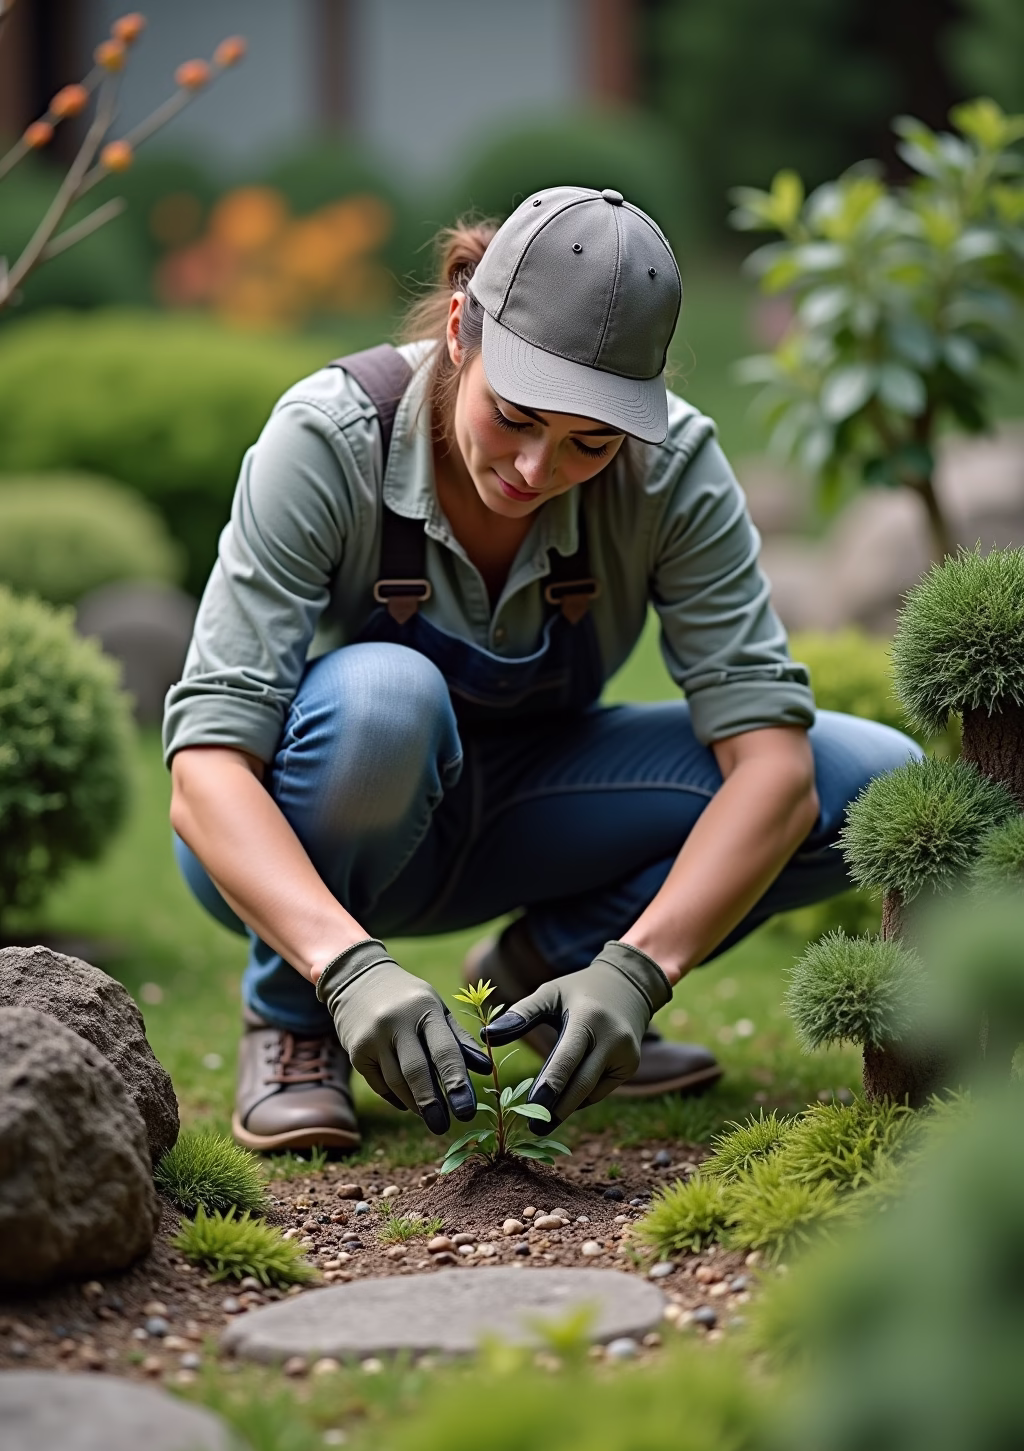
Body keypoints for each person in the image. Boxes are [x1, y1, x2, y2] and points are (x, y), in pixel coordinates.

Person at [164, 185, 918, 1153]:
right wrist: (342, 965)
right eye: (515, 416)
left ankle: (548, 986)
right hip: (337, 810)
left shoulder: (673, 467)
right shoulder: (327, 437)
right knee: (386, 697)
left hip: (538, 806)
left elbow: (770, 766)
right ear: (458, 331)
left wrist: (638, 968)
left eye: (588, 442)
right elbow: (206, 768)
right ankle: (293, 1023)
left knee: (865, 781)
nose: (534, 469)